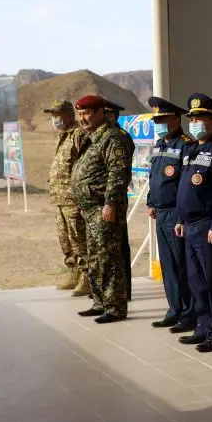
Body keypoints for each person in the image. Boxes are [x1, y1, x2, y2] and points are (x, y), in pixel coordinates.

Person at [174, 93, 212, 352]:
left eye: (200, 118)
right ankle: (203, 326)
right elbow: (184, 189)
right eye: (192, 118)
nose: (195, 122)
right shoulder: (191, 149)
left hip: (207, 224)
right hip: (189, 224)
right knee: (196, 280)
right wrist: (180, 219)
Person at [71, 95, 132, 323]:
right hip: (90, 209)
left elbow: (118, 173)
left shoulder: (113, 137)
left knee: (109, 257)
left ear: (100, 112)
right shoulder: (93, 137)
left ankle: (115, 307)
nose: (82, 118)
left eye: (86, 113)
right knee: (95, 258)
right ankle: (100, 302)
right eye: (79, 114)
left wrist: (110, 203)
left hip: (103, 208)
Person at [146, 97, 196, 332]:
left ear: (176, 119)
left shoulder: (186, 144)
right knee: (168, 265)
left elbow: (186, 185)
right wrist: (151, 202)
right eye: (156, 120)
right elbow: (154, 177)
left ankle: (189, 313)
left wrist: (181, 216)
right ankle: (174, 309)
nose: (159, 124)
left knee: (181, 265)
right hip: (160, 213)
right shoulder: (159, 145)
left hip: (177, 214)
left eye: (163, 119)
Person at [46, 99, 90, 296]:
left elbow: (85, 166)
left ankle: (87, 277)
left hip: (73, 199)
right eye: (52, 116)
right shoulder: (62, 136)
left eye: (58, 115)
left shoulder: (79, 135)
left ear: (69, 115)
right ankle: (73, 273)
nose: (55, 119)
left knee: (78, 238)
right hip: (60, 199)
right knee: (66, 240)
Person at [105, 101, 135, 301]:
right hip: (105, 197)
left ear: (112, 116)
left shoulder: (120, 137)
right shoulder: (103, 137)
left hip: (116, 198)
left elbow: (119, 171)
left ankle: (124, 290)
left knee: (119, 244)